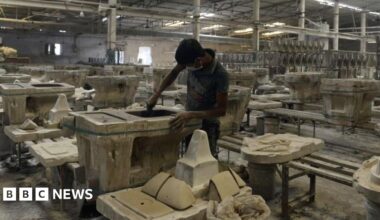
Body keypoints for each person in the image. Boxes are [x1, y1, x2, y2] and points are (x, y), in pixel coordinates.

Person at [147, 39, 229, 158]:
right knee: (189, 158)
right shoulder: (191, 56)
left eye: (187, 66)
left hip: (207, 125)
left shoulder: (220, 74)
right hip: (188, 119)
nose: (185, 68)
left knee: (204, 161)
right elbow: (173, 73)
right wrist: (157, 94)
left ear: (198, 60)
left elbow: (222, 110)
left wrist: (190, 114)